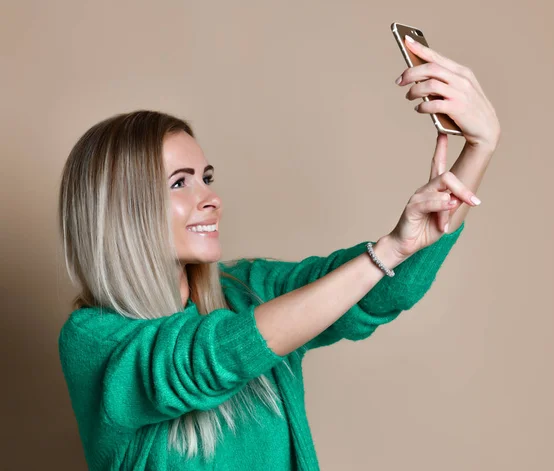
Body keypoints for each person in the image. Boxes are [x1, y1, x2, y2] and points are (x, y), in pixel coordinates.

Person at [57, 37, 500, 471]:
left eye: (206, 178)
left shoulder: (249, 289)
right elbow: (210, 358)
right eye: (179, 182)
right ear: (122, 208)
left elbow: (380, 290)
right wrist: (385, 252)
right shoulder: (93, 339)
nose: (211, 198)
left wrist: (479, 147)